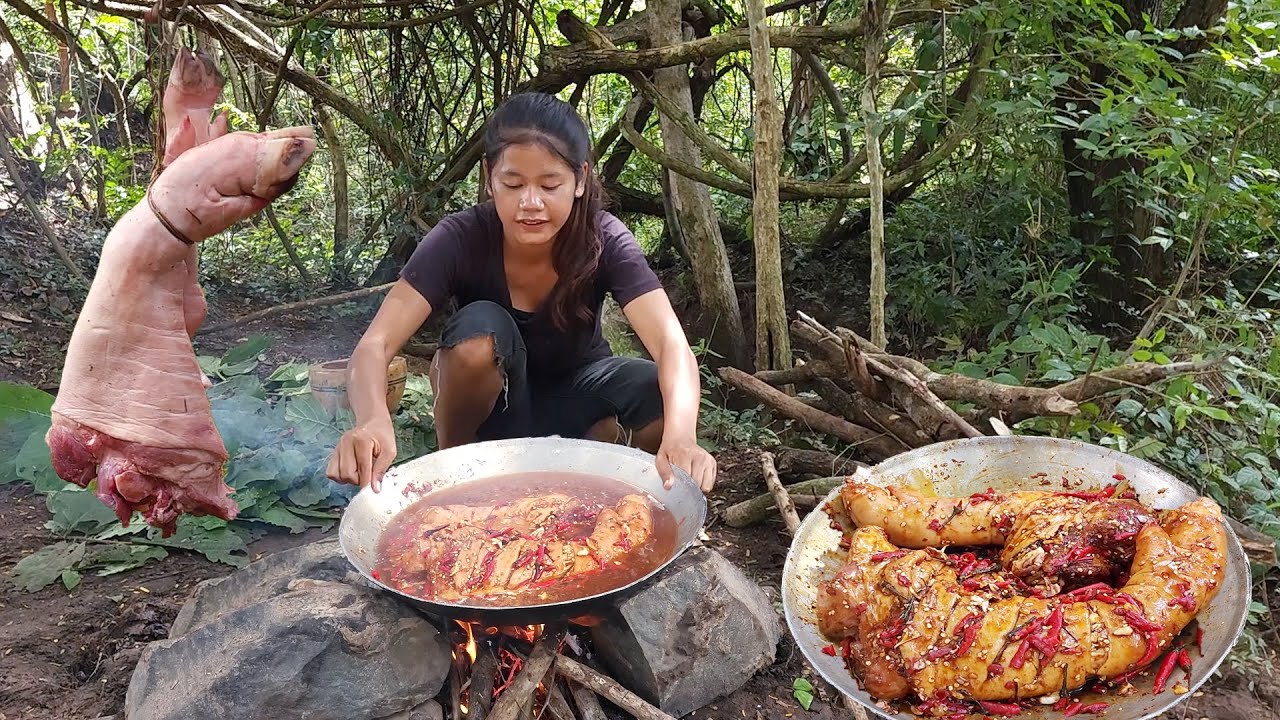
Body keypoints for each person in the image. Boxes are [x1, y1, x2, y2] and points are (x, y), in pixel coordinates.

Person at [325, 92, 716, 495]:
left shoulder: (605, 240)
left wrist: (683, 436)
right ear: (489, 177)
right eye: (513, 184)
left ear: (580, 180)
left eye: (550, 185)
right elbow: (375, 344)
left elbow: (672, 345)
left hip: (576, 401)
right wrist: (372, 420)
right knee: (479, 333)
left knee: (658, 392)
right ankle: (458, 477)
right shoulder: (458, 239)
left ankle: (589, 478)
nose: (531, 203)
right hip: (494, 413)